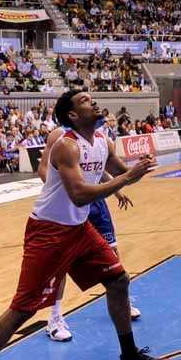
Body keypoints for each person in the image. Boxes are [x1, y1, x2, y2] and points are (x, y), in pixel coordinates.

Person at [0, 90, 165, 360]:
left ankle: (130, 356)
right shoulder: (66, 145)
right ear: (73, 116)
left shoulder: (102, 140)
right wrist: (125, 177)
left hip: (78, 229)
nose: (93, 102)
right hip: (48, 231)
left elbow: (123, 171)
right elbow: (79, 195)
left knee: (118, 280)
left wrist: (141, 167)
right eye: (85, 101)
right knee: (23, 309)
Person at [38, 118, 139, 343]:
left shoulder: (98, 138)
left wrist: (117, 191)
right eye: (86, 102)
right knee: (61, 263)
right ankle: (54, 318)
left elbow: (98, 169)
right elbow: (43, 168)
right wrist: (58, 190)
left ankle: (122, 302)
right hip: (69, 205)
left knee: (112, 253)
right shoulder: (59, 136)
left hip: (95, 202)